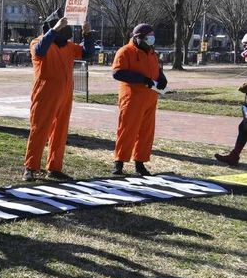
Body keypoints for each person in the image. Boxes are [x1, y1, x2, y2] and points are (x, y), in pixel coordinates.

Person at [21, 17, 94, 181]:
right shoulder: (37, 41)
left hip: (65, 94)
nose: (66, 30)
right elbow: (40, 51)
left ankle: (54, 167)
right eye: (63, 27)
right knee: (39, 129)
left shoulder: (68, 46)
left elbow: (88, 53)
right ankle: (30, 166)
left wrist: (87, 35)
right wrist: (54, 31)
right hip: (45, 93)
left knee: (60, 131)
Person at [112, 23, 167, 176]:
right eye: (148, 38)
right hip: (132, 98)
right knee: (127, 130)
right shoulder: (125, 51)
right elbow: (117, 73)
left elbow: (157, 70)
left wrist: (162, 78)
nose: (151, 40)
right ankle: (119, 163)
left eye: (152, 37)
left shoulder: (151, 52)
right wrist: (141, 79)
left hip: (150, 98)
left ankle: (140, 163)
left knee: (146, 132)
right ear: (138, 38)